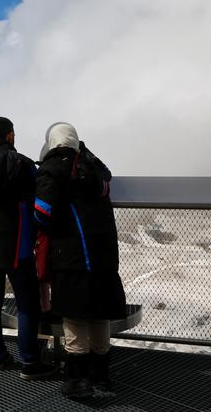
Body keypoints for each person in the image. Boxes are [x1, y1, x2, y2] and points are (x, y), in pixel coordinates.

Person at [34, 122, 126, 398]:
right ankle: (101, 377)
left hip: (73, 256)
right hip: (104, 256)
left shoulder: (54, 169)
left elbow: (43, 212)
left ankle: (77, 381)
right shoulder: (94, 168)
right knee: (99, 315)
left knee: (74, 319)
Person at [0, 117, 56, 380]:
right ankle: (29, 361)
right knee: (27, 304)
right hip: (19, 247)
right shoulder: (24, 166)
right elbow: (40, 200)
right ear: (9, 136)